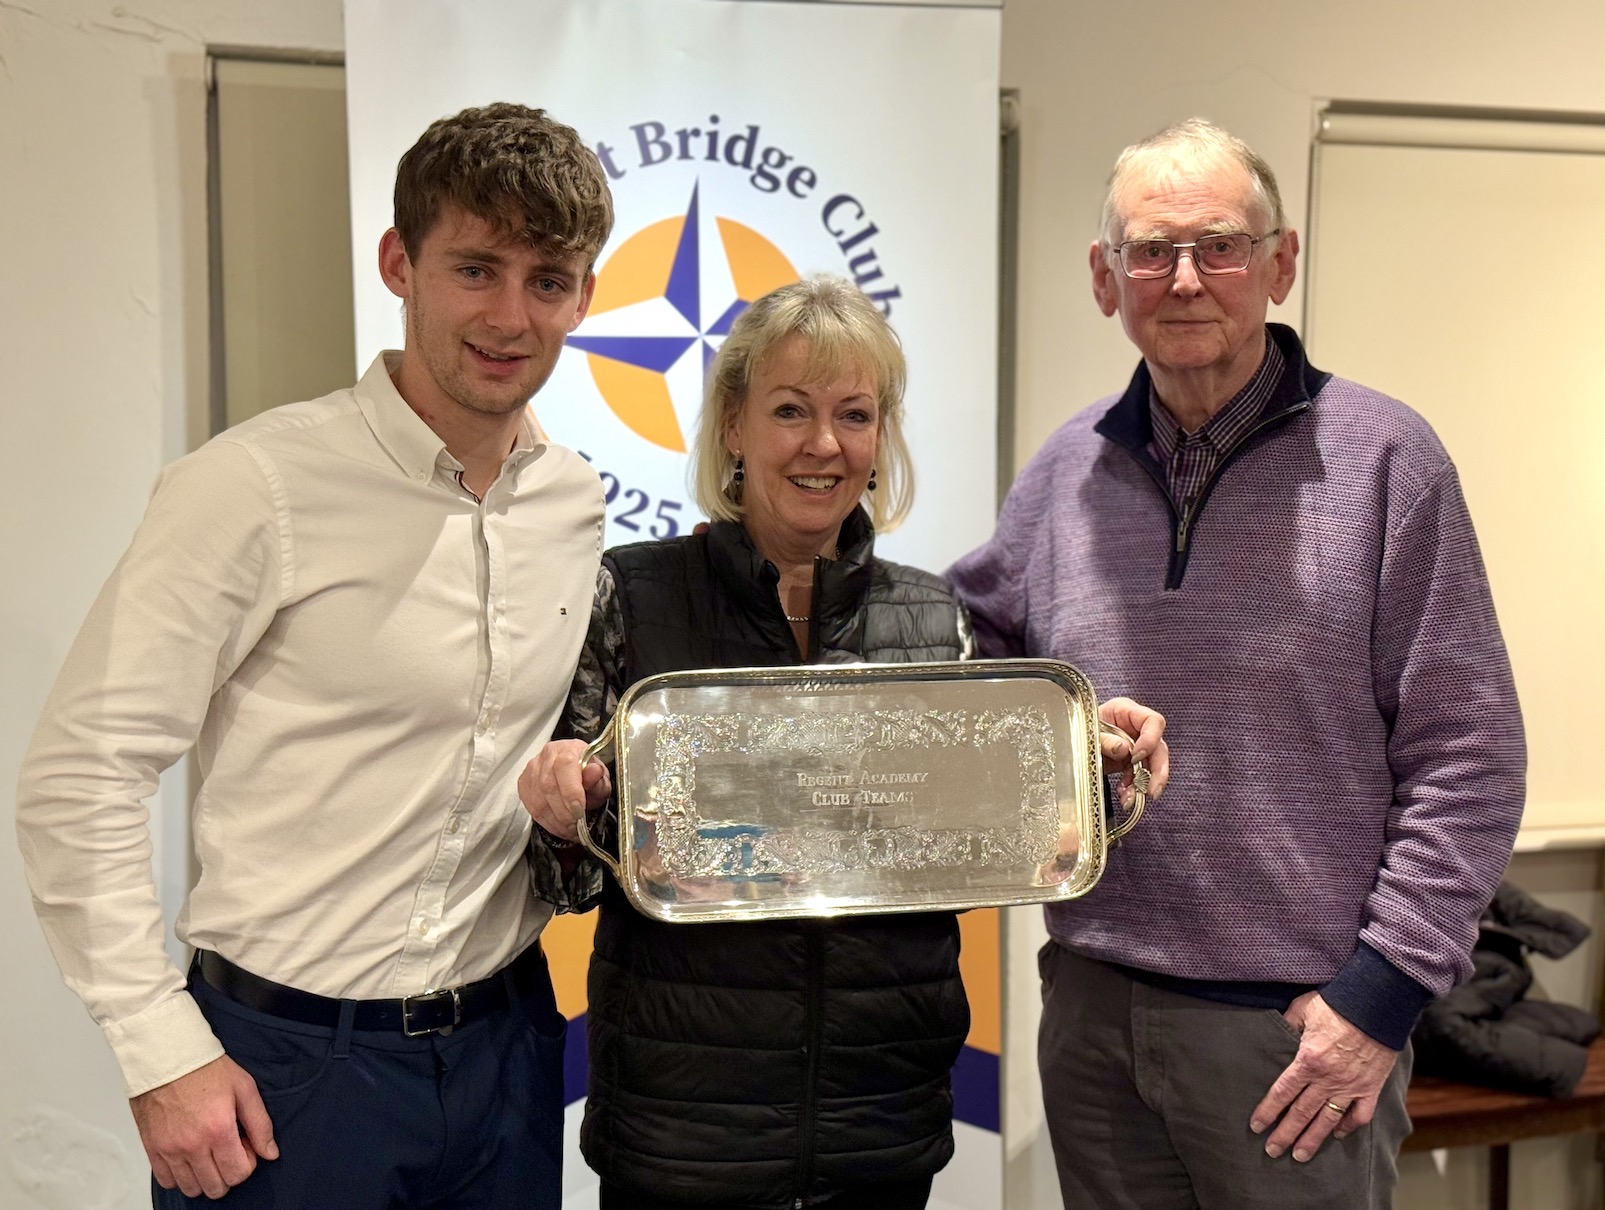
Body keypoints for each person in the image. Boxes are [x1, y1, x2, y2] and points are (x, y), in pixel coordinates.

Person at [14, 103, 613, 1208]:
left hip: (510, 1052)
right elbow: (80, 772)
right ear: (399, 263)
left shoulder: (572, 503)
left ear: (583, 295)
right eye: (474, 268)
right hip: (287, 1071)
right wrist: (159, 1052)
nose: (509, 315)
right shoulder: (255, 486)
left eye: (547, 279)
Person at [948, 117, 1527, 1209]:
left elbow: (1471, 755)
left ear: (1278, 262)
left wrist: (1378, 998)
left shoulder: (1386, 460)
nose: (1183, 279)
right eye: (1148, 252)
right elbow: (966, 651)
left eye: (1218, 245)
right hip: (1091, 1006)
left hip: (1296, 1031)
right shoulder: (1065, 469)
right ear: (1103, 277)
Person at [518, 275, 1168, 1210]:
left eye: (853, 415)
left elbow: (982, 845)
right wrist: (558, 806)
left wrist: (1091, 772)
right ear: (733, 425)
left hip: (882, 1129)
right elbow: (572, 879)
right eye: (790, 409)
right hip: (684, 1133)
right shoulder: (634, 593)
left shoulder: (933, 618)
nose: (823, 444)